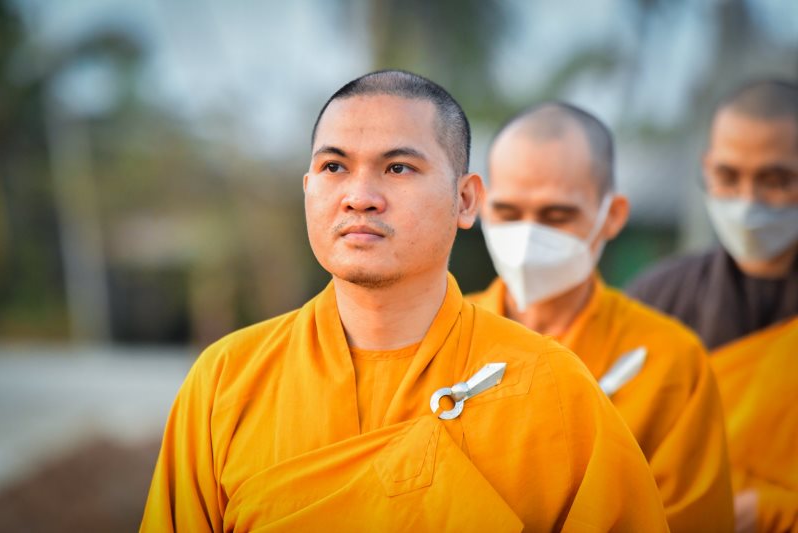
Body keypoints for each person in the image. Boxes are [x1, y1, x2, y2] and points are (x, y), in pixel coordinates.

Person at [140, 71, 668, 532]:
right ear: (307, 188)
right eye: (334, 167)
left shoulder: (553, 389)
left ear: (466, 200)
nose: (359, 196)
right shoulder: (226, 381)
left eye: (397, 168)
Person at [468, 102, 733, 532]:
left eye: (556, 216)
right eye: (508, 213)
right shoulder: (441, 335)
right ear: (479, 206)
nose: (528, 235)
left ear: (612, 216)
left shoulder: (669, 361)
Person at [627, 79, 798, 533]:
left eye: (776, 180)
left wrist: (772, 511)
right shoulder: (656, 299)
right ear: (706, 169)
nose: (748, 201)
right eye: (728, 176)